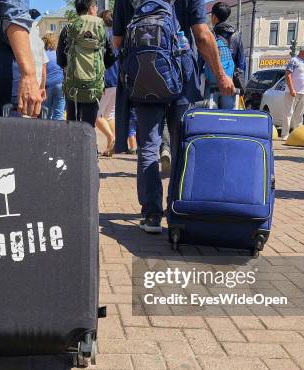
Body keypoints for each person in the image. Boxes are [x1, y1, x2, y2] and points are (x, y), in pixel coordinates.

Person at [113, 0, 234, 233]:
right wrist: (220, 75)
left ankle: (151, 215)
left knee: (148, 146)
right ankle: (177, 210)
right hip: (181, 74)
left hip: (142, 76)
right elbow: (201, 35)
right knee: (181, 145)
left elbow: (118, 41)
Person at [57, 0, 116, 127]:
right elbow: (111, 58)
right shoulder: (100, 28)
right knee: (89, 125)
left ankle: (71, 146)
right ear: (92, 8)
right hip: (94, 87)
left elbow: (60, 60)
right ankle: (89, 146)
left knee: (72, 123)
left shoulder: (69, 28)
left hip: (72, 86)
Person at [207, 1, 246, 109]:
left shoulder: (209, 35)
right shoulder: (236, 35)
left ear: (214, 17)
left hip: (211, 83)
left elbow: (201, 60)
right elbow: (241, 63)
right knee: (229, 118)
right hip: (230, 84)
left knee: (209, 118)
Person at [12, 10, 48, 114]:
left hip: (18, 87)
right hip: (33, 88)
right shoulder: (37, 38)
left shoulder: (16, 33)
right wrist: (42, 87)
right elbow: (44, 66)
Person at [281, 43, 304, 140]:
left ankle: (297, 134)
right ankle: (285, 134)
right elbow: (288, 74)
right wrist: (291, 89)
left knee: (299, 114)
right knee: (288, 113)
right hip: (293, 92)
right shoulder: (294, 61)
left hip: (302, 92)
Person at [98, 9, 119, 157]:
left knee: (96, 115)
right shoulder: (119, 34)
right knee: (110, 115)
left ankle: (111, 138)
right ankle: (111, 145)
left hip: (105, 79)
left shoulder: (102, 34)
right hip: (117, 79)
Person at [42, 33, 65, 120]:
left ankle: (46, 132)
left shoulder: (43, 54)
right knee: (59, 114)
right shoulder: (58, 53)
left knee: (46, 113)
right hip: (60, 84)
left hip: (47, 86)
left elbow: (42, 72)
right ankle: (58, 133)